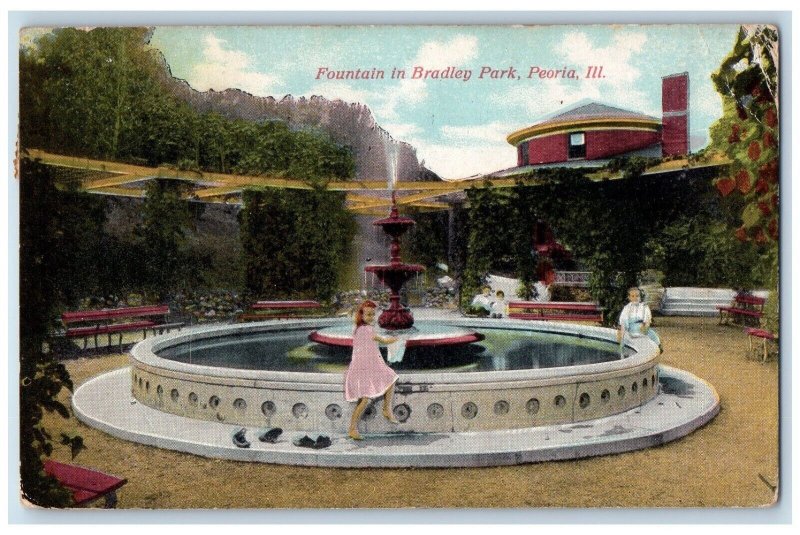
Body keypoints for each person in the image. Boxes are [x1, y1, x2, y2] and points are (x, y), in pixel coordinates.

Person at [345, 300, 400, 440]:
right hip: (364, 369)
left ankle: (386, 409)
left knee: (390, 378)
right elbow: (382, 340)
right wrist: (396, 339)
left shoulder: (358, 329)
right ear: (361, 316)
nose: (371, 317)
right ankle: (353, 428)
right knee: (365, 399)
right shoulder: (366, 329)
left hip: (364, 367)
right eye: (368, 315)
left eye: (373, 314)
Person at [617, 287, 662, 351]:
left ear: (640, 297)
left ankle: (657, 348)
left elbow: (647, 320)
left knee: (654, 338)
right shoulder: (626, 308)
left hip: (642, 328)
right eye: (633, 296)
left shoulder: (644, 307)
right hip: (630, 329)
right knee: (624, 341)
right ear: (629, 297)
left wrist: (645, 327)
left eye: (637, 296)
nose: (635, 298)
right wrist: (622, 337)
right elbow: (623, 323)